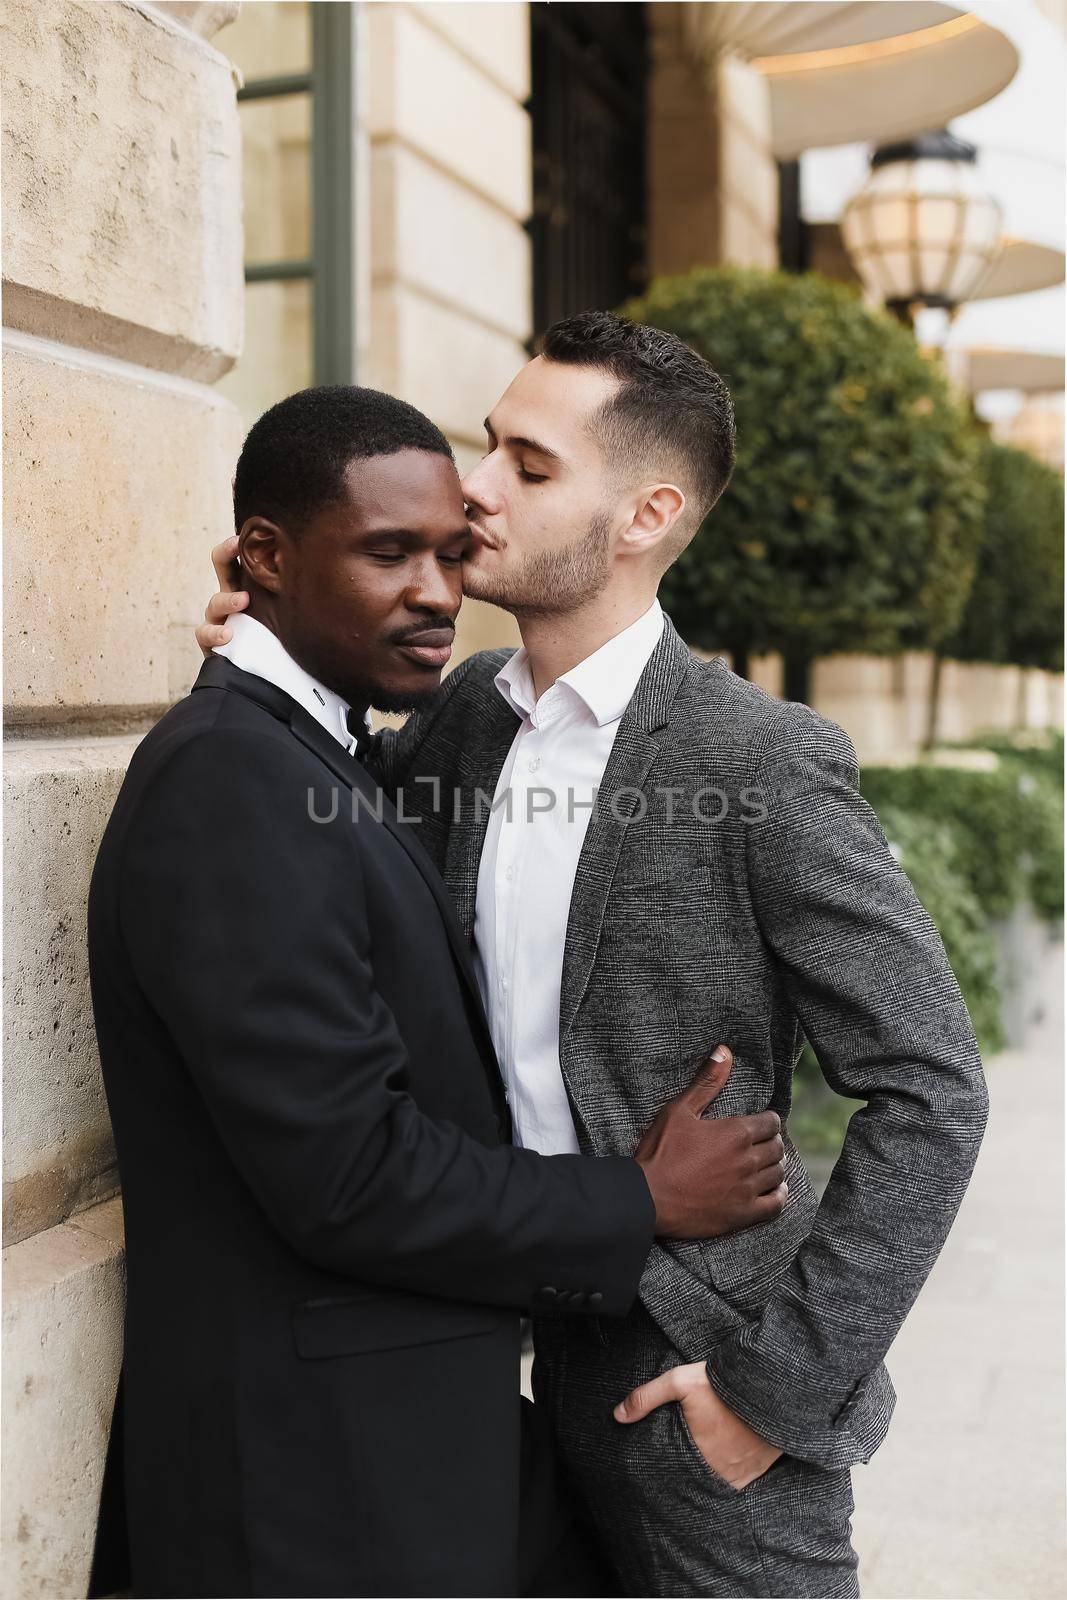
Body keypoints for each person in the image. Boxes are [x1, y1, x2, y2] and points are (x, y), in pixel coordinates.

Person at [201, 313, 991, 1599]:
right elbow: (333, 848)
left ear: (642, 516)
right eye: (485, 445)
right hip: (482, 1362)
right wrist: (272, 632)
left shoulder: (759, 762)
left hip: (688, 1382)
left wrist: (771, 1389)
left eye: (528, 463)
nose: (474, 488)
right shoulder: (458, 720)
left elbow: (932, 1086)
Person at [89, 386, 791, 1600]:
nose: (434, 591)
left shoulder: (324, 748)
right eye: (384, 552)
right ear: (260, 553)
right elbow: (348, 1175)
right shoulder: (230, 783)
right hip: (313, 1492)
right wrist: (635, 1200)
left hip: (407, 1448)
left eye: (447, 552)